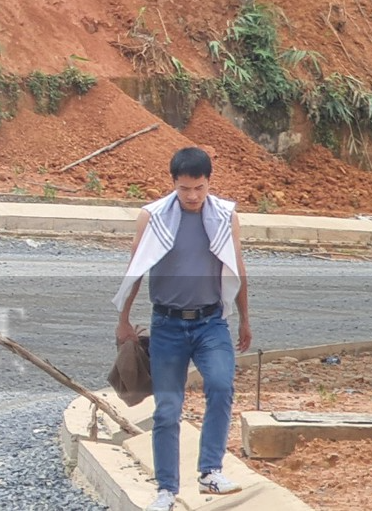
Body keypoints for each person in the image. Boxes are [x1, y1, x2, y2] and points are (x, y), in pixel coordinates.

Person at [114, 146, 252, 511]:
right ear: (173, 183)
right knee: (166, 409)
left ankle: (210, 471)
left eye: (200, 188)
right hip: (167, 325)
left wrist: (245, 320)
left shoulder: (225, 217)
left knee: (221, 387)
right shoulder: (154, 217)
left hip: (211, 322)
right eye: (185, 188)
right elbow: (135, 269)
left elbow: (238, 268)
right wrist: (123, 319)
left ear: (209, 183)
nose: (192, 196)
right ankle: (166, 489)